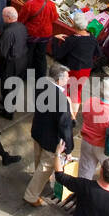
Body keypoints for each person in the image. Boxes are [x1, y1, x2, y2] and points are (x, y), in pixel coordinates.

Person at [24, 63, 76, 207]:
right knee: (46, 166)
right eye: (67, 77)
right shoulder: (62, 101)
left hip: (38, 130)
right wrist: (69, 148)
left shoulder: (41, 85)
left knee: (38, 157)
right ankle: (31, 195)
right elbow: (65, 127)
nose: (68, 79)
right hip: (51, 138)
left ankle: (39, 179)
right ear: (59, 80)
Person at [51, 12, 97, 105]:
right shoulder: (92, 38)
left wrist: (55, 39)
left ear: (74, 24)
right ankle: (72, 116)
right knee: (76, 93)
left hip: (72, 69)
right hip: (86, 69)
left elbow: (58, 55)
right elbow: (97, 53)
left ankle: (62, 113)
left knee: (64, 90)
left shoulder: (72, 40)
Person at [18, 0, 58, 79]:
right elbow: (54, 18)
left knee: (28, 55)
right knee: (41, 55)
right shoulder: (51, 5)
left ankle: (25, 75)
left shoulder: (29, 4)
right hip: (45, 35)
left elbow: (21, 19)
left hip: (31, 34)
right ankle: (40, 76)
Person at [0, 6, 28, 119]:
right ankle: (6, 102)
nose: (2, 17)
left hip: (11, 63)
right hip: (22, 60)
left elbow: (3, 52)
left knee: (8, 86)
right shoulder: (21, 26)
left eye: (3, 16)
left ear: (8, 18)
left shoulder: (8, 32)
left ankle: (8, 112)